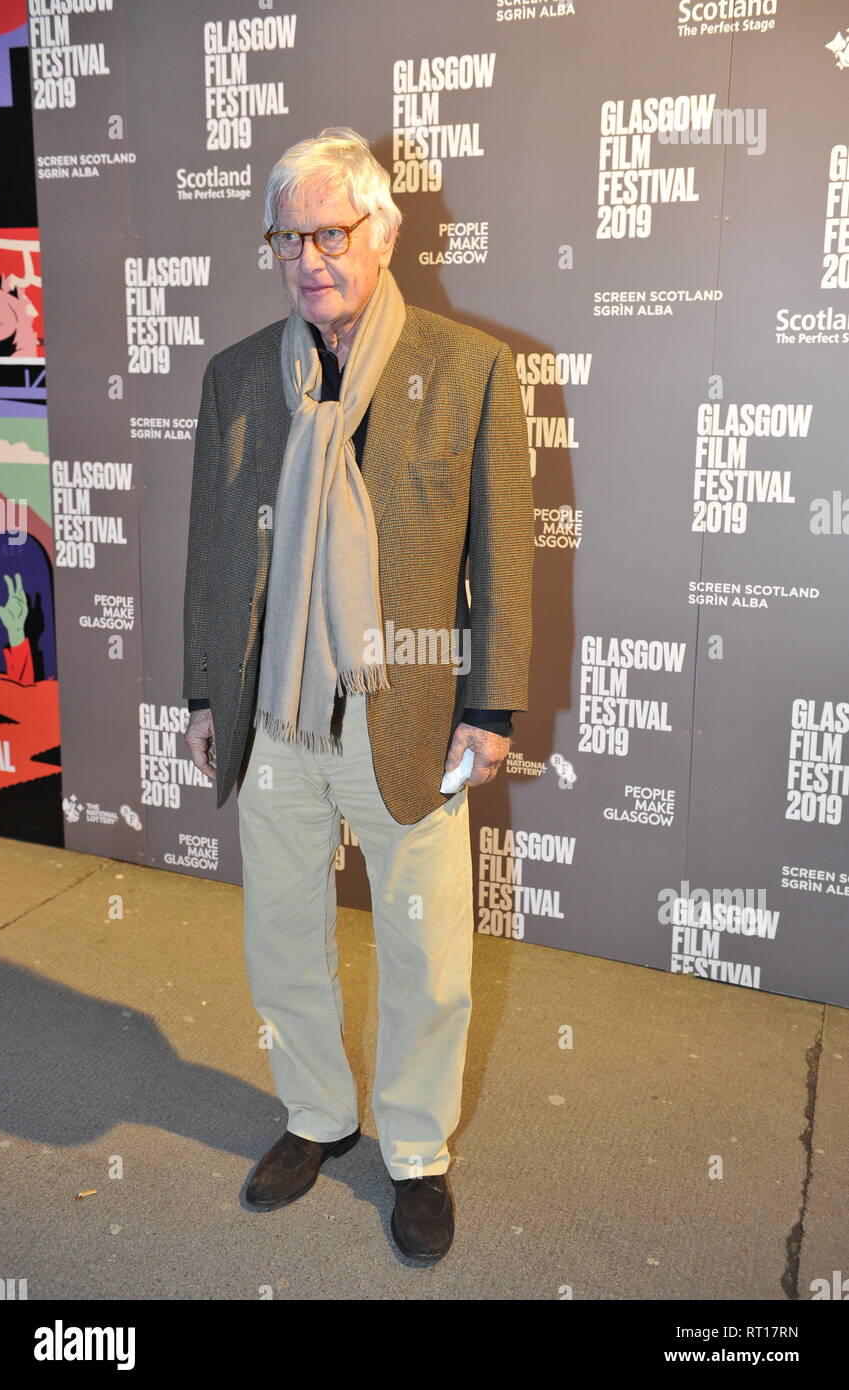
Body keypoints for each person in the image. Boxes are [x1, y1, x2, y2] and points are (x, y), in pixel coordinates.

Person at [182, 127, 533, 1263]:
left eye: (328, 231)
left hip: (410, 712)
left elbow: (503, 556)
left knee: (423, 948)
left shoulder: (468, 368)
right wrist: (203, 694)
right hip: (276, 715)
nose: (307, 257)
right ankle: (317, 1116)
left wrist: (491, 711)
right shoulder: (237, 376)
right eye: (287, 236)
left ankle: (418, 1152)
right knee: (280, 930)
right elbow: (215, 553)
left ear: (382, 233)